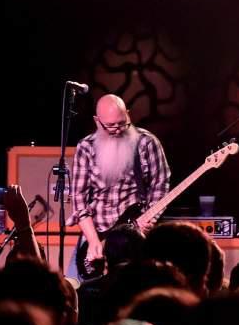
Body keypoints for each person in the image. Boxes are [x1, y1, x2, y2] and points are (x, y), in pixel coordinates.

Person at [68, 94, 171, 277]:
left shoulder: (147, 142)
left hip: (134, 234)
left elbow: (160, 184)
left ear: (128, 114)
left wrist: (149, 218)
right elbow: (79, 198)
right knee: (75, 284)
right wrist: (93, 241)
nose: (117, 130)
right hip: (96, 231)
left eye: (122, 123)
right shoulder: (86, 147)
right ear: (97, 121)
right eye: (110, 126)